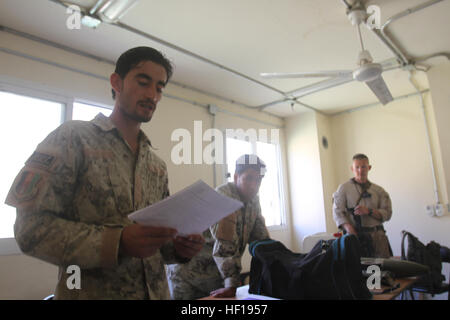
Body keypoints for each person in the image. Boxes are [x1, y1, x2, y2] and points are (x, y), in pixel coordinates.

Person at [5, 46, 204, 299]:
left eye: (159, 88)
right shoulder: (73, 139)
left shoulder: (156, 165)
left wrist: (180, 248)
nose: (152, 95)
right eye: (143, 83)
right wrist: (117, 242)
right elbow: (30, 231)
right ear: (116, 82)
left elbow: (158, 244)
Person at [166, 154, 270, 299]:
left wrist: (282, 262)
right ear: (235, 177)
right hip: (188, 278)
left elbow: (261, 240)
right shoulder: (223, 197)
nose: (254, 186)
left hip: (215, 277)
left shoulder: (253, 201)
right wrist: (232, 284)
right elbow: (225, 245)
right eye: (249, 178)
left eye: (259, 180)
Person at [332, 153, 392, 258]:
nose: (360, 170)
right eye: (357, 167)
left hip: (377, 239)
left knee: (377, 272)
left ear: (369, 168)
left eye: (364, 167)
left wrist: (369, 211)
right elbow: (338, 212)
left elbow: (387, 214)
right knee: (355, 271)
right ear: (352, 168)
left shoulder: (379, 191)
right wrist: (349, 229)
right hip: (353, 238)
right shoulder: (343, 189)